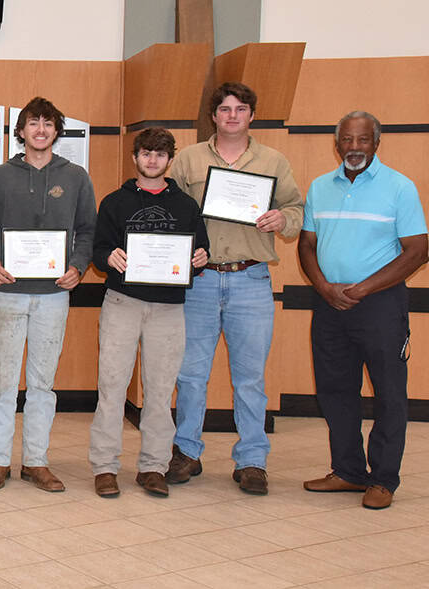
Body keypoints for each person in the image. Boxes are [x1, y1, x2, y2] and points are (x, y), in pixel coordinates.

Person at [166, 82, 304, 495]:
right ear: (213, 115)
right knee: (190, 375)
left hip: (251, 279)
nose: (231, 116)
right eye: (224, 109)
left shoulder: (272, 160)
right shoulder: (188, 160)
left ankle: (252, 461)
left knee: (249, 379)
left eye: (240, 109)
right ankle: (186, 453)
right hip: (200, 282)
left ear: (251, 115)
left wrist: (283, 220)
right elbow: (167, 208)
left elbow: (296, 208)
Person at [298, 111, 427, 510]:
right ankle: (349, 471)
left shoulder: (399, 188)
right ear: (337, 144)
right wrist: (323, 287)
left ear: (377, 143)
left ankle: (384, 479)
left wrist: (363, 288)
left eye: (363, 140)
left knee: (389, 393)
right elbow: (305, 244)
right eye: (348, 140)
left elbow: (418, 250)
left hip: (381, 306)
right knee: (336, 391)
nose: (355, 148)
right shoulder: (320, 187)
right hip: (329, 304)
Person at [0, 96, 96, 493]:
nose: (40, 130)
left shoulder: (76, 176)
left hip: (53, 294)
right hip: (8, 292)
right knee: (4, 382)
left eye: (48, 123)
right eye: (33, 123)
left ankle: (35, 461)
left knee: (43, 383)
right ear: (22, 131)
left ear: (56, 131)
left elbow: (88, 231)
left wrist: (78, 267)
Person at [88, 127, 208, 498]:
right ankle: (105, 466)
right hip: (122, 303)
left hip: (168, 309)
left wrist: (200, 260)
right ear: (135, 157)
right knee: (112, 386)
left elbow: (200, 252)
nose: (152, 160)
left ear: (170, 159)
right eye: (145, 153)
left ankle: (154, 466)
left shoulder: (186, 205)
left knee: (159, 390)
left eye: (159, 154)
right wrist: (108, 257)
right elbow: (98, 250)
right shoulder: (113, 202)